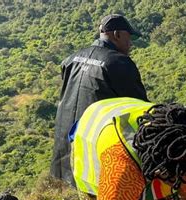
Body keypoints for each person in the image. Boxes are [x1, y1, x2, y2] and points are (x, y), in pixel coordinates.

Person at [51, 14, 147, 186]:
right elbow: (140, 108)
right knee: (105, 199)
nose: (130, 44)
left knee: (86, 196)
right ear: (117, 34)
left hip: (69, 143)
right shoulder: (119, 63)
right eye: (128, 37)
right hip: (95, 143)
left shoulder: (72, 59)